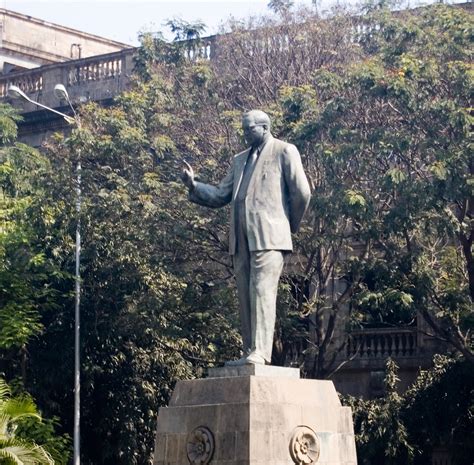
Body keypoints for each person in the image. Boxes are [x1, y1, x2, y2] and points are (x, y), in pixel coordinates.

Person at [181, 110, 311, 365]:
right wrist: (193, 185)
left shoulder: (284, 151)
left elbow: (302, 193)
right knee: (245, 295)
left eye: (248, 129)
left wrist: (287, 225)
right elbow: (220, 194)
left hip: (270, 237)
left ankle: (261, 352)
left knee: (262, 291)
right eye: (243, 129)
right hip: (241, 239)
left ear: (264, 127)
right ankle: (249, 350)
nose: (244, 134)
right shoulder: (240, 160)